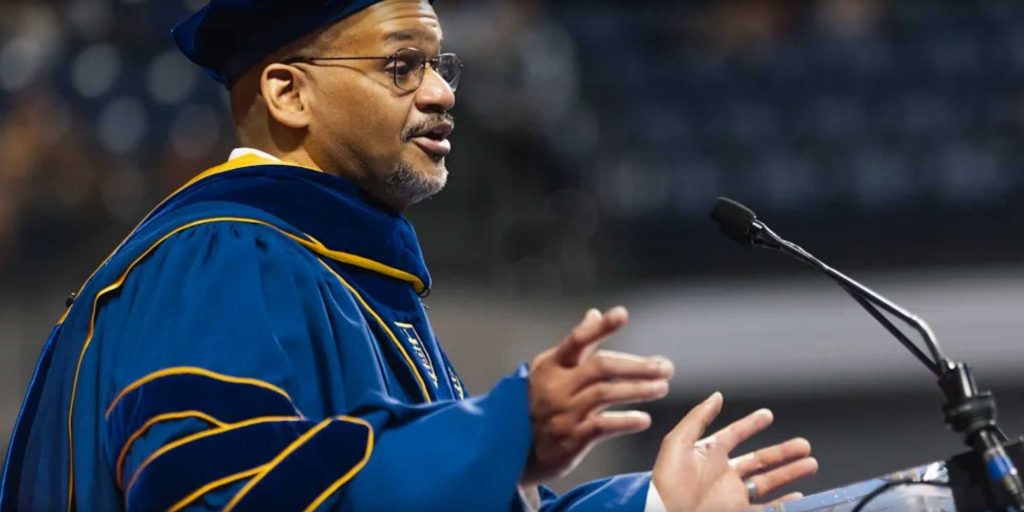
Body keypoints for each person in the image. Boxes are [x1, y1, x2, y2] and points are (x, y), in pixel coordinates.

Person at [0, 1, 817, 510]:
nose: (442, 92)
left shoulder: (333, 272)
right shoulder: (220, 252)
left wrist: (658, 504)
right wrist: (496, 435)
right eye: (401, 66)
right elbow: (221, 493)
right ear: (288, 93)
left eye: (438, 65)